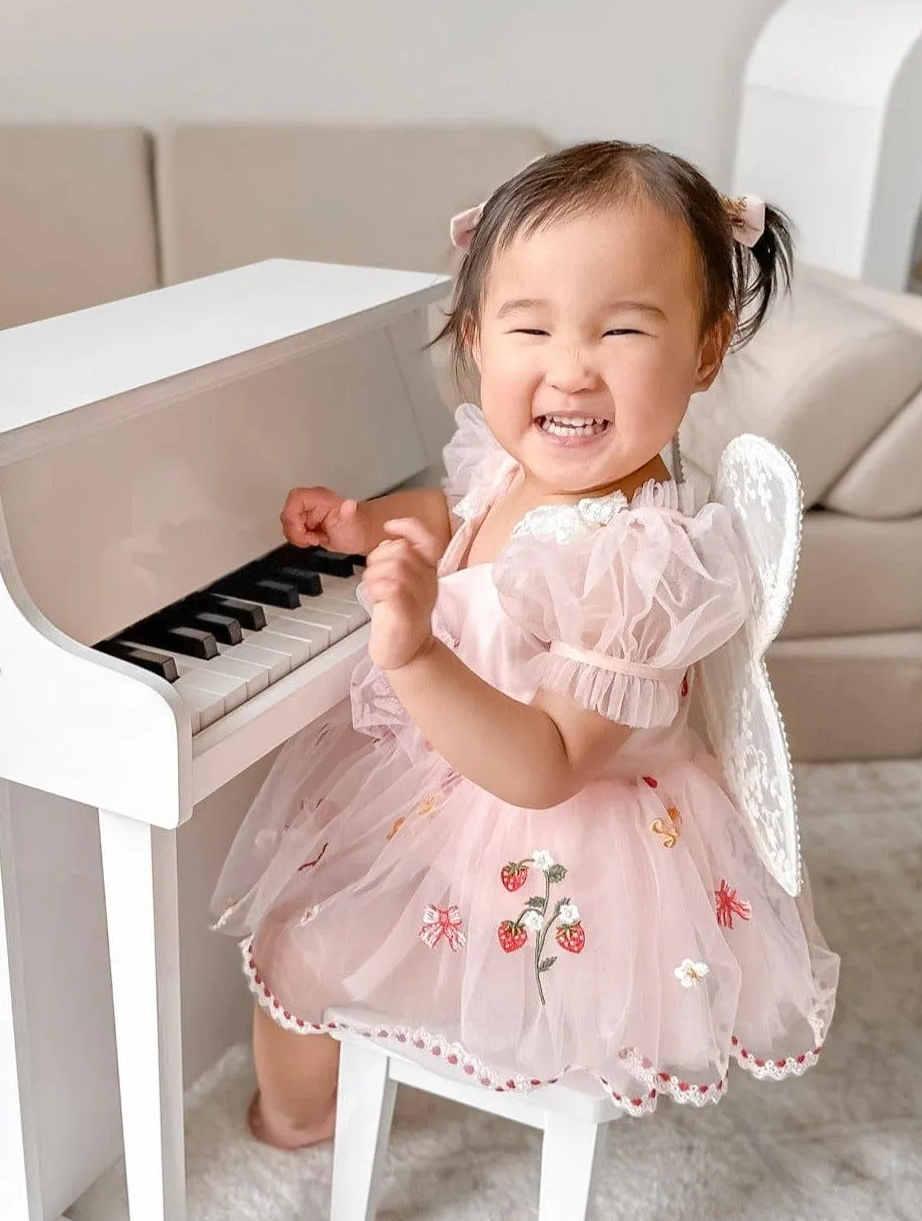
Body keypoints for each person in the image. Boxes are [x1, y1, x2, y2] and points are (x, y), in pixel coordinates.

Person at [212, 141, 840, 1149]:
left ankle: (296, 1119)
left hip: (561, 858)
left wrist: (417, 655)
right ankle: (339, 1075)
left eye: (624, 327)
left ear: (707, 350)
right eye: (530, 326)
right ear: (473, 336)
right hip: (455, 798)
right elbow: (460, 511)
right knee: (333, 898)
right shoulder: (514, 467)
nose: (571, 364)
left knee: (304, 947)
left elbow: (544, 768)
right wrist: (368, 523)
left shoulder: (642, 565)